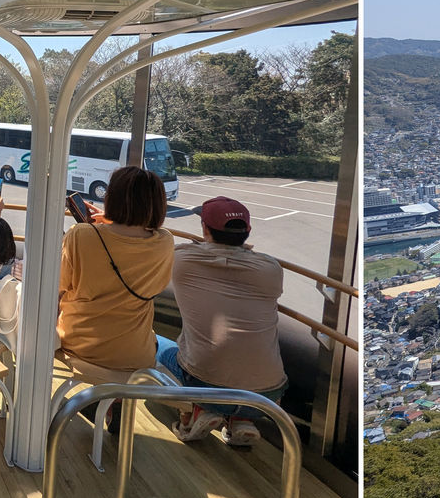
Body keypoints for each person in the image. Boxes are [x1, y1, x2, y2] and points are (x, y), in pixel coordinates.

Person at [159, 195, 287, 451]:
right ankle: (242, 419)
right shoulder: (271, 270)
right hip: (268, 395)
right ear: (247, 231)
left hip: (205, 384)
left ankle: (194, 410)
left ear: (205, 229)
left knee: (156, 346)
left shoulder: (184, 261)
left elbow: (174, 249)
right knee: (239, 369)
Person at [57, 164, 174, 382]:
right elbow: (156, 286)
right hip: (135, 356)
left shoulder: (80, 235)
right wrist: (112, 223)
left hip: (79, 348)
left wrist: (105, 224)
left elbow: (58, 286)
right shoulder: (164, 241)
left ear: (112, 198)